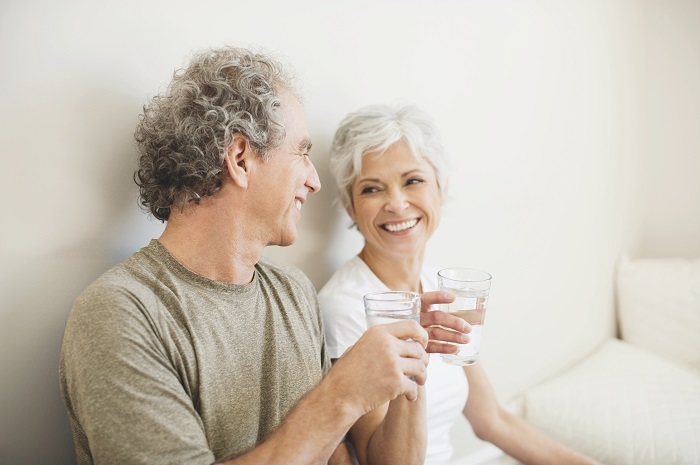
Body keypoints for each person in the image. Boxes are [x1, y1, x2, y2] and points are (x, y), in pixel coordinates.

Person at [59, 47, 457, 465]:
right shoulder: (121, 313)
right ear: (241, 159)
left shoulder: (294, 293)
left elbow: (335, 455)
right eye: (302, 152)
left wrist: (411, 354)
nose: (315, 181)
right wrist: (341, 394)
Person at [319, 103, 604, 465]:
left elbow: (493, 420)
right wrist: (414, 351)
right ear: (349, 206)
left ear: (441, 187)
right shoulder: (345, 306)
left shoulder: (438, 287)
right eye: (372, 189)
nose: (396, 203)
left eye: (413, 180)